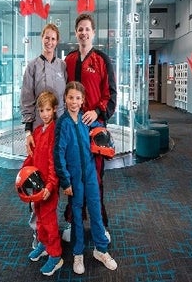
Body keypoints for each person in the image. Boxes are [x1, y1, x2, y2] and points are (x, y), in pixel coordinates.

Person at [63, 13, 117, 242]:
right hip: (73, 128)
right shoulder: (69, 60)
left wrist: (98, 112)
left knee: (95, 178)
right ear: (76, 33)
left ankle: (99, 224)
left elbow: (111, 94)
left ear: (93, 33)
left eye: (87, 29)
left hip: (95, 128)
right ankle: (72, 222)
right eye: (80, 29)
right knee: (75, 176)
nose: (83, 33)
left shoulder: (102, 60)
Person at [53, 81, 117, 275]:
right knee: (77, 217)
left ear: (83, 101)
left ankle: (101, 250)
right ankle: (78, 253)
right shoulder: (62, 124)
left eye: (78, 98)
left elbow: (101, 131)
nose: (74, 101)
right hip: (74, 179)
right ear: (65, 98)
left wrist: (98, 116)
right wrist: (65, 181)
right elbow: (58, 154)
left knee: (96, 211)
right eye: (71, 97)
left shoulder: (86, 120)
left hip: (90, 175)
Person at [20, 23, 67, 248]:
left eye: (53, 39)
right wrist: (28, 130)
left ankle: (60, 227)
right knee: (37, 180)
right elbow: (27, 100)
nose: (49, 42)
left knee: (57, 177)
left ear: (57, 42)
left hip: (59, 132)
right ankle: (37, 233)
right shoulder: (32, 67)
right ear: (42, 39)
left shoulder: (62, 66)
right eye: (46, 38)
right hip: (39, 132)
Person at [21, 91, 63, 276]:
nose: (45, 114)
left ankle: (56, 255)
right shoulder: (38, 131)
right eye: (41, 110)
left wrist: (50, 185)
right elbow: (32, 157)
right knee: (38, 217)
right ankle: (43, 244)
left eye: (48, 110)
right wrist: (22, 175)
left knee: (49, 221)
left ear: (54, 110)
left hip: (48, 187)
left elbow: (55, 162)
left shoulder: (55, 132)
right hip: (36, 186)